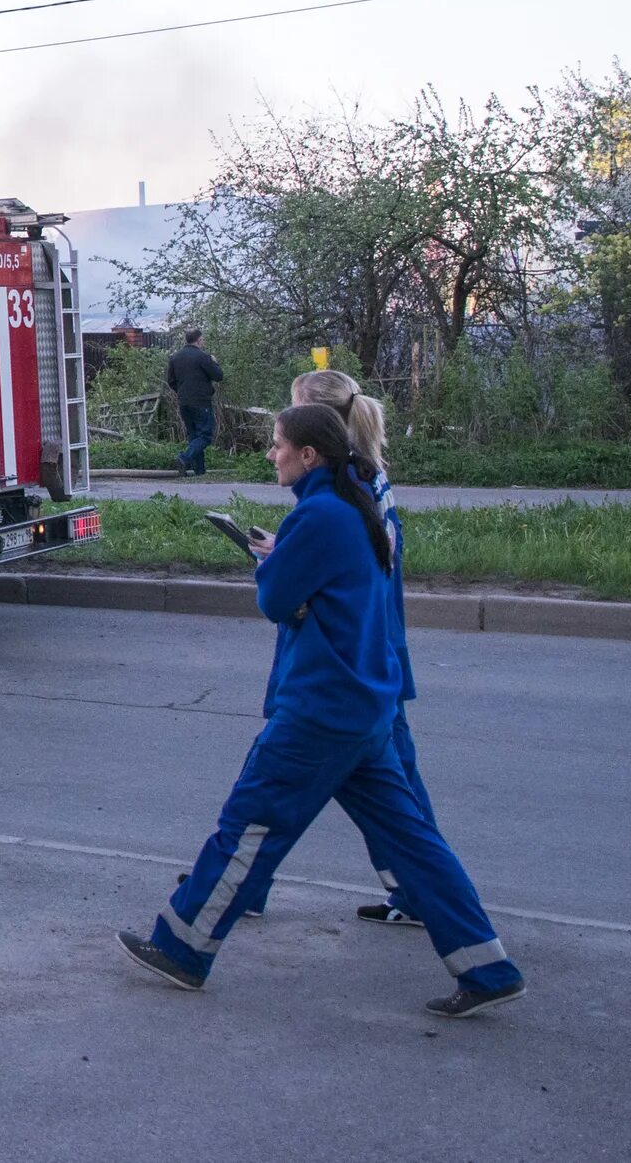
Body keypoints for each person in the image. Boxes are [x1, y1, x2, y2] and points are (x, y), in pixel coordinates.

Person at [118, 401, 525, 1019]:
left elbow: (277, 600)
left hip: (318, 713)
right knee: (415, 845)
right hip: (366, 709)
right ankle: (487, 967)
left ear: (310, 455)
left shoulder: (319, 515)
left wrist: (272, 562)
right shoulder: (358, 505)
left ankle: (182, 947)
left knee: (248, 828)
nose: (270, 454)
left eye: (278, 445)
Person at [291, 366, 435, 929]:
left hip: (361, 657)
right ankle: (413, 891)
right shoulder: (367, 474)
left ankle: (424, 892)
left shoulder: (344, 486)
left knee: (395, 786)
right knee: (383, 782)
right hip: (376, 648)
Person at [165, 327, 224, 477]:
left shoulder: (175, 357)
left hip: (184, 402)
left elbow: (170, 381)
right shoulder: (203, 357)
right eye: (202, 339)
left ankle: (199, 471)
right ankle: (184, 458)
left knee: (194, 436)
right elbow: (218, 376)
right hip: (201, 402)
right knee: (205, 436)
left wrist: (182, 392)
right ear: (198, 340)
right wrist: (214, 362)